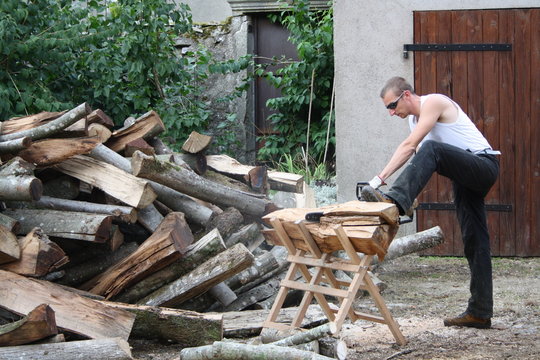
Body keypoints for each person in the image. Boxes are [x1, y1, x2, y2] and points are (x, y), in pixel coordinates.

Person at [360, 76, 500, 329]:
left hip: (483, 165)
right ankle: (480, 312)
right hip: (464, 176)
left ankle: (395, 203)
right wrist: (378, 183)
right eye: (387, 109)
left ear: (406, 95)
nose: (391, 113)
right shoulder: (414, 121)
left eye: (392, 106)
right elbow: (415, 159)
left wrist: (378, 183)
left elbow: (414, 146)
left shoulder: (433, 102)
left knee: (431, 148)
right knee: (474, 240)